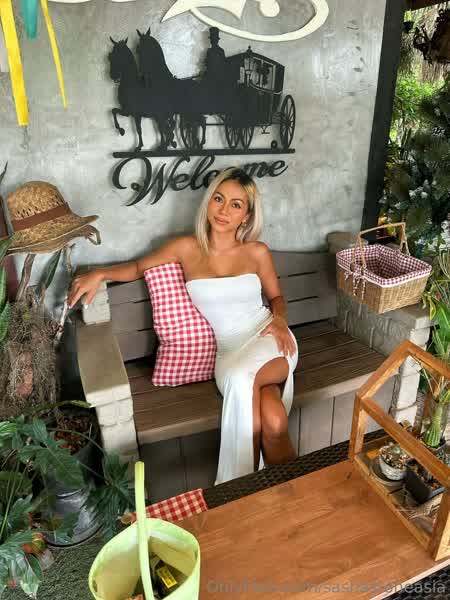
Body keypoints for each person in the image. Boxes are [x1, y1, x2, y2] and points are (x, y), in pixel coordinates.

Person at [68, 167, 298, 485]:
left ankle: (240, 487)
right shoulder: (186, 248)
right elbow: (137, 267)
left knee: (240, 379)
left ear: (246, 216)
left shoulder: (256, 252)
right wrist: (100, 273)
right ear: (208, 202)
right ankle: (294, 490)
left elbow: (276, 298)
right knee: (273, 420)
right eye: (219, 199)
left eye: (236, 205)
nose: (224, 210)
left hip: (268, 337)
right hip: (229, 351)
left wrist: (281, 321)